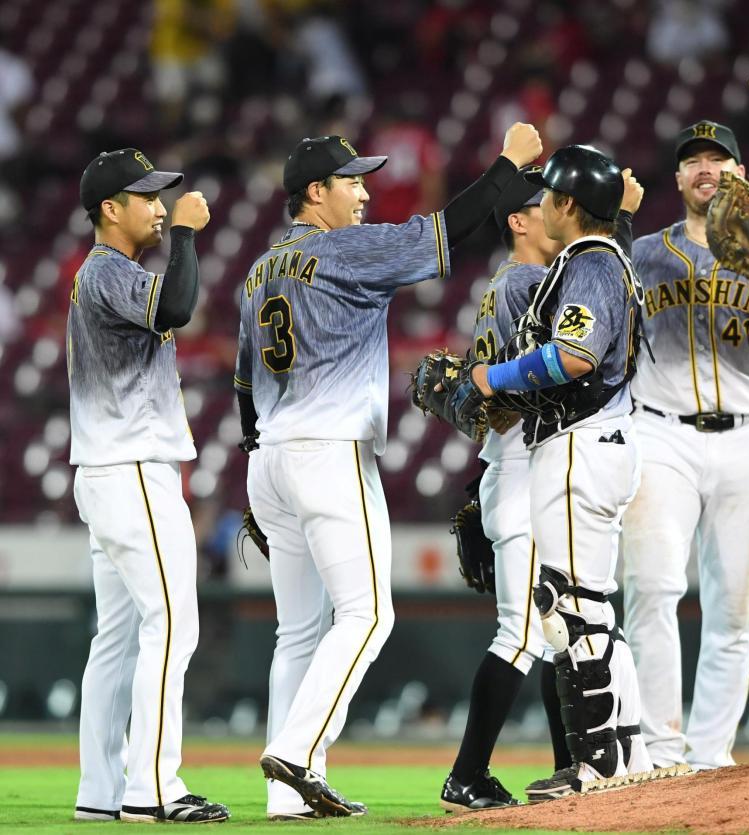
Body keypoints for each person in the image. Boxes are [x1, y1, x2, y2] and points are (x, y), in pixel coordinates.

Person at [234, 125, 543, 819]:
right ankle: (294, 748)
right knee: (369, 613)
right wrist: (506, 166)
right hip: (328, 447)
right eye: (352, 181)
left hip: (272, 457)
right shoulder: (343, 246)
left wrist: (266, 461)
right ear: (316, 192)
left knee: (298, 631)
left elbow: (242, 389)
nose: (365, 190)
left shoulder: (258, 270)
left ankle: (287, 795)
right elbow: (446, 230)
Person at [460, 145, 653, 802]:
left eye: (548, 196)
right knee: (590, 603)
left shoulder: (590, 260)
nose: (539, 205)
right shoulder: (596, 257)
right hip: (599, 439)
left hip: (580, 442)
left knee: (568, 607)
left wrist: (493, 377)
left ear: (567, 205)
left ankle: (595, 759)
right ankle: (626, 748)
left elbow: (573, 353)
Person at [621, 120, 749, 772]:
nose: (705, 169)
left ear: (738, 174)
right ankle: (659, 750)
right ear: (677, 179)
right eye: (693, 160)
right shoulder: (643, 252)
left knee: (734, 608)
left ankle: (710, 754)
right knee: (652, 586)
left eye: (718, 159)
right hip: (661, 429)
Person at [68, 149, 228, 823]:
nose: (161, 206)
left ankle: (100, 791)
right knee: (174, 623)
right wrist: (189, 234)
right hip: (132, 469)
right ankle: (151, 788)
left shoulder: (98, 275)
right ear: (111, 208)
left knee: (119, 636)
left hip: (108, 470)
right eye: (147, 196)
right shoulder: (107, 270)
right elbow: (177, 307)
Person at [440, 170, 565, 813]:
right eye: (546, 206)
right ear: (518, 220)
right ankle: (467, 774)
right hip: (523, 471)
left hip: (512, 467)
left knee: (557, 630)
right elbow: (531, 389)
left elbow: (480, 399)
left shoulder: (506, 286)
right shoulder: (524, 284)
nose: (558, 212)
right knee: (520, 634)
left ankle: (571, 765)